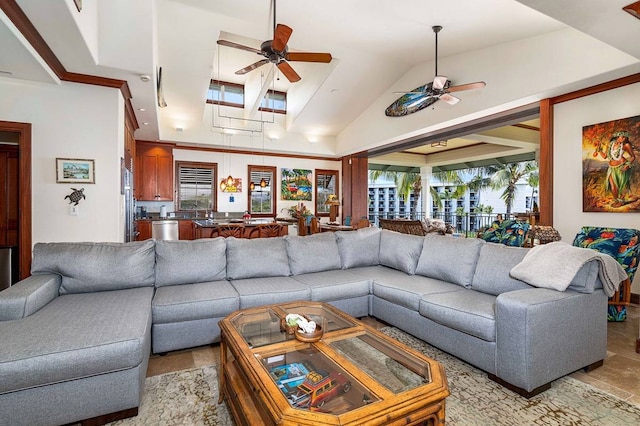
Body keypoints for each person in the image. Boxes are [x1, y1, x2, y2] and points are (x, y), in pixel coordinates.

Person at [593, 131, 636, 207]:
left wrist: (627, 166)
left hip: (622, 166)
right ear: (617, 137)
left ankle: (621, 201)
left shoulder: (626, 145)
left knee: (621, 185)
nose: (623, 139)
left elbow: (633, 157)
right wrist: (599, 149)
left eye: (625, 137)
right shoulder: (610, 144)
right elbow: (605, 156)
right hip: (611, 168)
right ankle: (617, 200)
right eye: (622, 137)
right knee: (613, 186)